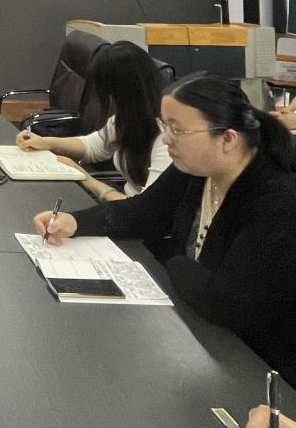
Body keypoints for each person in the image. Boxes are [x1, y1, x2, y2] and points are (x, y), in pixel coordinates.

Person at [33, 73, 296, 385]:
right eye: (165, 126)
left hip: (259, 365)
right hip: (202, 333)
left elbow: (223, 303)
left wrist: (172, 260)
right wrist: (76, 222)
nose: (166, 139)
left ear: (228, 139)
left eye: (178, 130)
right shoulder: (198, 166)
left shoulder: (276, 202)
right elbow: (145, 212)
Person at [17, 41, 171, 201]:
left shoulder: (166, 139)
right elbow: (95, 146)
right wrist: (45, 142)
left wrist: (88, 181)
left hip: (134, 211)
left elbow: (146, 209)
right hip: (125, 205)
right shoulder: (132, 117)